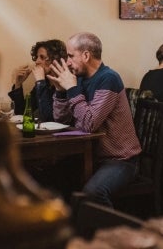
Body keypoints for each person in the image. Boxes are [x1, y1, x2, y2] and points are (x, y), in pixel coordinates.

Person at [47, 32, 141, 208]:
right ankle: (74, 231)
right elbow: (61, 120)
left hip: (120, 160)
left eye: (70, 56)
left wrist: (73, 89)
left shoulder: (108, 78)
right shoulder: (80, 79)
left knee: (93, 193)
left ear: (86, 55)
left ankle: (112, 234)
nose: (67, 62)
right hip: (90, 156)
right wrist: (60, 91)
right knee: (48, 177)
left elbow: (89, 124)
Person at [8, 39, 67, 122]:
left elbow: (50, 119)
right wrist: (18, 84)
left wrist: (40, 82)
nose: (37, 61)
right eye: (37, 57)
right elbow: (21, 113)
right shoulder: (45, 82)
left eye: (42, 57)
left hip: (65, 133)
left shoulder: (65, 82)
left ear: (55, 59)